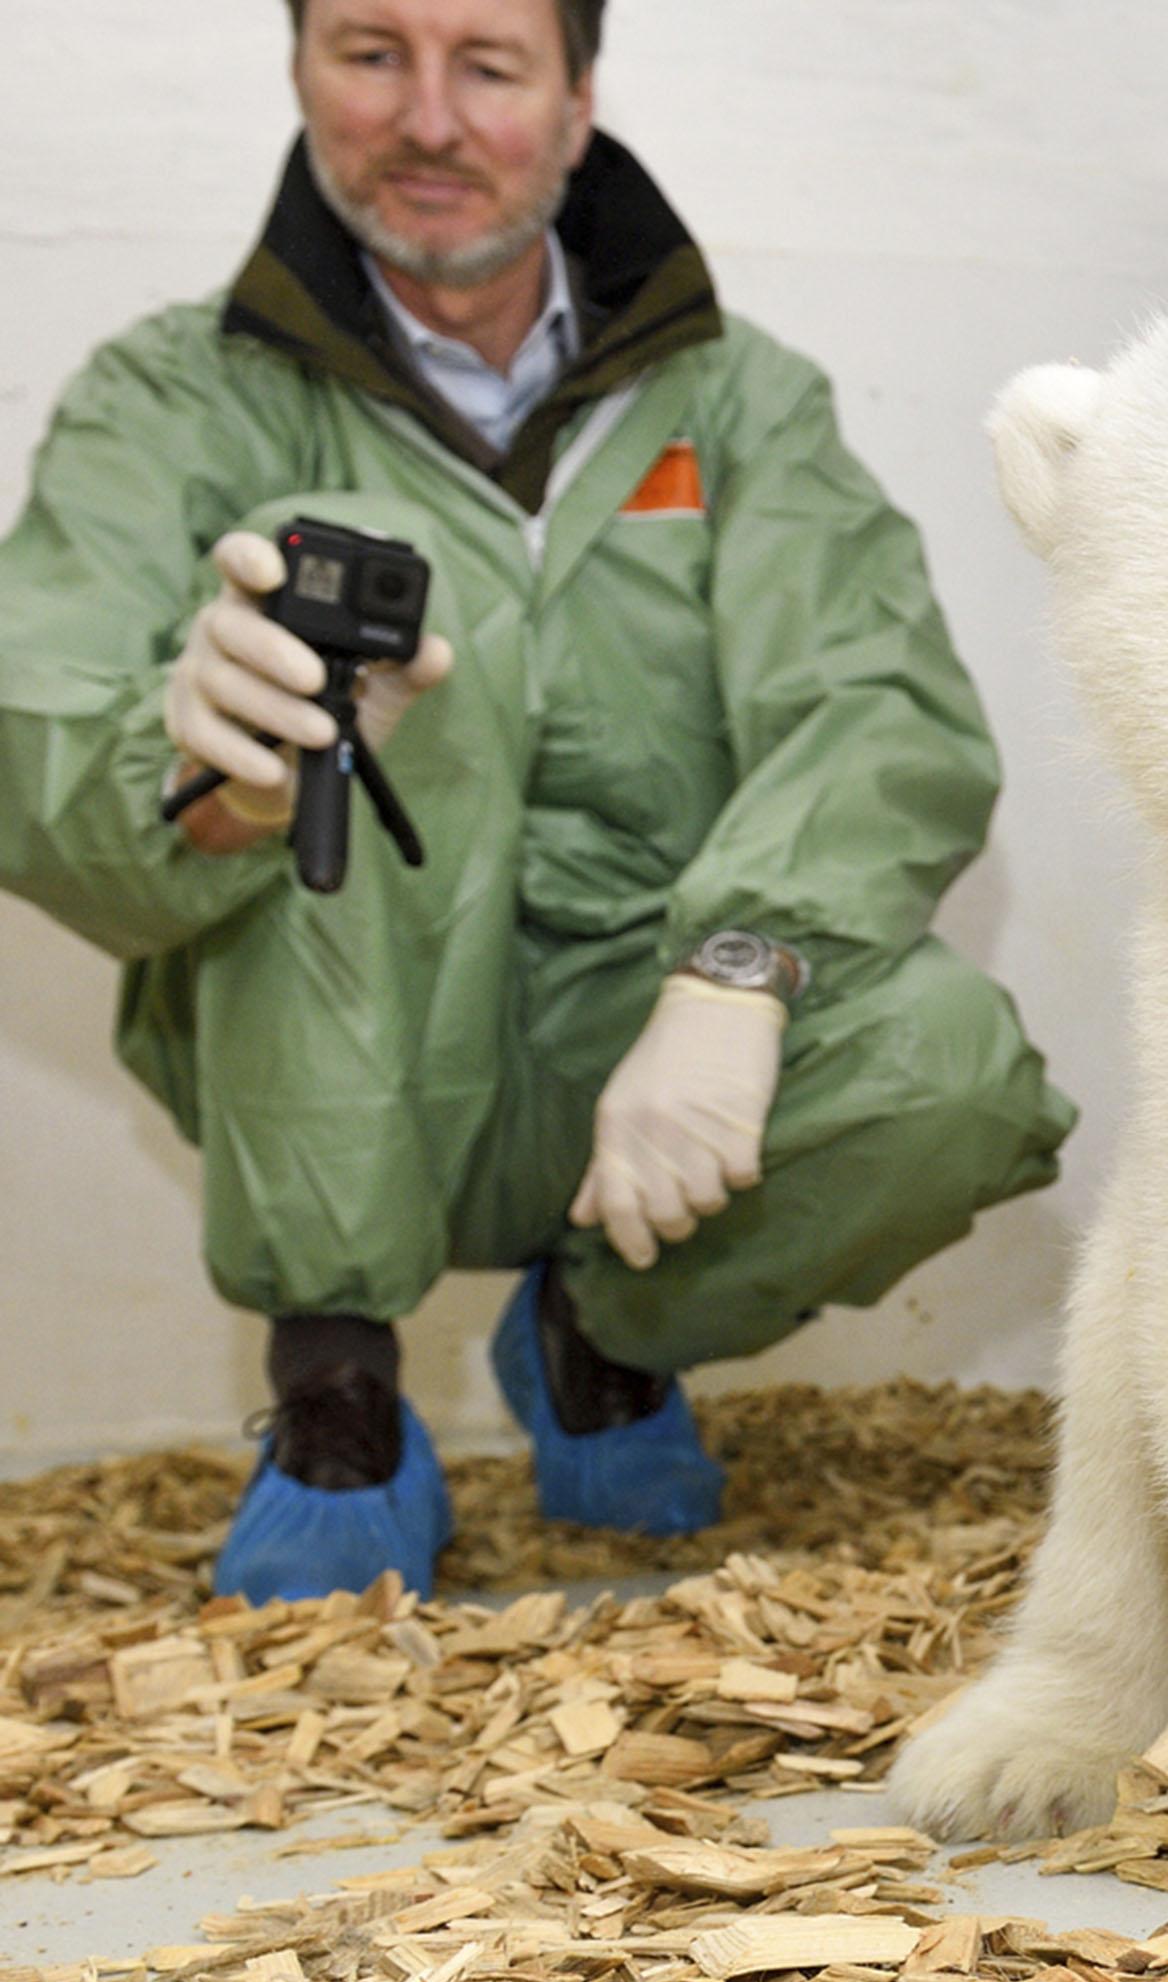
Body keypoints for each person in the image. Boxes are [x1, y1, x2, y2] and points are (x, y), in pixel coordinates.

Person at [0, 0, 1075, 1603]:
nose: (428, 117)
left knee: (954, 1076)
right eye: (372, 52)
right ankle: (337, 1390)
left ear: (576, 103)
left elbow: (881, 706)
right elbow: (38, 731)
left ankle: (595, 1333)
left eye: (488, 65)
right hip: (331, 1053)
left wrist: (741, 964)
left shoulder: (745, 405)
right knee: (341, 553)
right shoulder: (172, 399)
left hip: (641, 1054)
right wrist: (200, 773)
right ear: (300, 70)